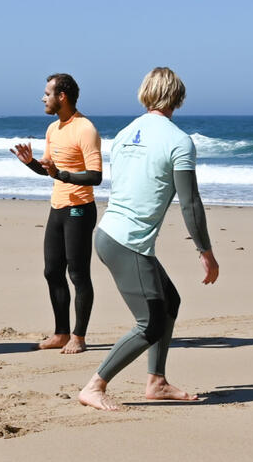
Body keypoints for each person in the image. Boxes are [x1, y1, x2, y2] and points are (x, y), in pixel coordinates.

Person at [77, 67, 221, 410]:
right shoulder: (178, 141)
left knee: (169, 302)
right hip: (129, 243)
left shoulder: (126, 133)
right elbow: (190, 202)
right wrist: (206, 251)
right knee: (150, 321)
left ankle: (156, 381)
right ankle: (94, 386)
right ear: (178, 97)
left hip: (110, 232)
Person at [10, 73, 103, 354]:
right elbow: (49, 169)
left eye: (47, 93)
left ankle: (79, 337)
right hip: (58, 208)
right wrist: (31, 164)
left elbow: (95, 176)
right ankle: (61, 333)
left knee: (78, 274)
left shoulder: (85, 129)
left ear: (61, 96)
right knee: (52, 271)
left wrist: (61, 174)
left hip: (80, 209)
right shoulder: (53, 129)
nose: (43, 98)